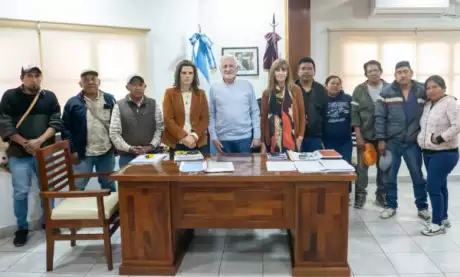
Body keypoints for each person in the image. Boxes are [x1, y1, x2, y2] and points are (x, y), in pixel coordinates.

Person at [0, 65, 63, 246]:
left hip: (44, 152)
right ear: (22, 78)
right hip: (18, 154)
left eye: (37, 76)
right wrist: (25, 143)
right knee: (20, 193)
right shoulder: (10, 96)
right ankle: (22, 228)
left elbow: (56, 121)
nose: (34, 79)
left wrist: (39, 142)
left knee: (48, 190)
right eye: (30, 76)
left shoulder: (49, 97)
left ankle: (48, 222)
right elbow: (5, 123)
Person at [375, 61, 430, 220]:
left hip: (413, 142)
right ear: (395, 75)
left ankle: (422, 207)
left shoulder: (422, 90)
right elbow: (380, 117)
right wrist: (381, 139)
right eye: (399, 72)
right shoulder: (386, 92)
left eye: (405, 71)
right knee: (389, 176)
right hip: (392, 141)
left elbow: (436, 101)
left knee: (417, 176)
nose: (403, 74)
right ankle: (391, 205)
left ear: (411, 73)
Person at [417, 75, 460, 236]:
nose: (431, 90)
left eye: (435, 87)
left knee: (432, 186)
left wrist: (440, 138)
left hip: (445, 153)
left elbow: (457, 125)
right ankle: (443, 218)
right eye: (428, 88)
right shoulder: (428, 105)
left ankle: (436, 224)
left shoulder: (450, 102)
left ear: (443, 87)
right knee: (441, 186)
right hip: (428, 152)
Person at [61, 69, 116, 192]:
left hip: (106, 151)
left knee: (109, 186)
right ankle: (76, 211)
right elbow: (65, 128)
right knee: (78, 187)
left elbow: (116, 124)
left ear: (99, 82)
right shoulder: (72, 103)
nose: (90, 82)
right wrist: (72, 150)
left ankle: (113, 212)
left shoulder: (109, 99)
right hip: (83, 154)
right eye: (86, 80)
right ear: (80, 84)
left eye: (93, 79)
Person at [351, 60, 389, 208]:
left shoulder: (390, 89)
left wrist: (384, 138)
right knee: (361, 168)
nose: (373, 73)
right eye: (370, 71)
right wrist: (358, 135)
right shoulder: (359, 90)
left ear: (381, 71)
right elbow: (354, 114)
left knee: (384, 167)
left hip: (385, 137)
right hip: (365, 136)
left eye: (375, 70)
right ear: (366, 74)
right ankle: (360, 196)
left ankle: (381, 196)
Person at [109, 74, 164, 168]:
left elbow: (160, 128)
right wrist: (129, 148)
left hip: (151, 155)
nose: (137, 88)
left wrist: (151, 146)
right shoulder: (119, 105)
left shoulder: (153, 104)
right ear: (127, 87)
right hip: (127, 156)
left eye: (140, 85)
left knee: (152, 183)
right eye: (134, 85)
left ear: (145, 87)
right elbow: (114, 133)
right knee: (127, 183)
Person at [209, 55, 261, 153]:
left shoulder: (247, 85)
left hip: (245, 139)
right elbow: (211, 114)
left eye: (231, 66)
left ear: (237, 69)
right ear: (220, 70)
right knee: (224, 168)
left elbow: (255, 112)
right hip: (222, 140)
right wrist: (213, 137)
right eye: (225, 66)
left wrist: (257, 135)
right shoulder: (214, 88)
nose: (228, 69)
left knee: (246, 168)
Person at [162, 60, 209, 154]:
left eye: (190, 73)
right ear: (178, 75)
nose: (187, 76)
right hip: (176, 142)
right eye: (184, 73)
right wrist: (183, 137)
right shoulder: (169, 93)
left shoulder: (201, 94)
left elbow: (205, 119)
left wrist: (194, 136)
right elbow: (168, 119)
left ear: (194, 76)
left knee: (200, 168)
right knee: (175, 169)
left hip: (197, 142)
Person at [260, 59, 305, 153]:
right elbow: (263, 118)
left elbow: (302, 115)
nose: (281, 73)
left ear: (288, 73)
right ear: (273, 73)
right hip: (272, 139)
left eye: (283, 70)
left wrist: (300, 136)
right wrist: (263, 141)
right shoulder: (267, 93)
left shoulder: (296, 90)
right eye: (277, 70)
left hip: (292, 138)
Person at [322, 75, 353, 193]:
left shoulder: (348, 99)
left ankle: (346, 193)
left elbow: (353, 118)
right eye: (332, 83)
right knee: (330, 168)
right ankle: (331, 193)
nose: (335, 85)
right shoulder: (322, 99)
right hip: (327, 141)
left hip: (345, 141)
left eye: (337, 83)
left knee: (346, 167)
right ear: (326, 86)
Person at [295, 57, 328, 152]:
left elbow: (325, 115)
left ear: (314, 72)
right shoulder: (291, 89)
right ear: (298, 71)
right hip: (296, 137)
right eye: (303, 68)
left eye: (310, 69)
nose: (306, 71)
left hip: (316, 138)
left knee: (315, 165)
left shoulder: (321, 90)